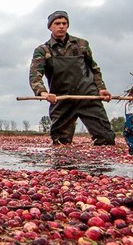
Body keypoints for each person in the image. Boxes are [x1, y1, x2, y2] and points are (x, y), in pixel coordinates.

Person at [29, 10, 115, 146]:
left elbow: (94, 69)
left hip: (87, 97)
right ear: (50, 27)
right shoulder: (43, 50)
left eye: (64, 23)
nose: (61, 26)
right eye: (57, 23)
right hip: (61, 99)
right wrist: (43, 93)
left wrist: (101, 88)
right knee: (60, 143)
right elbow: (35, 75)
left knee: (106, 139)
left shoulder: (82, 45)